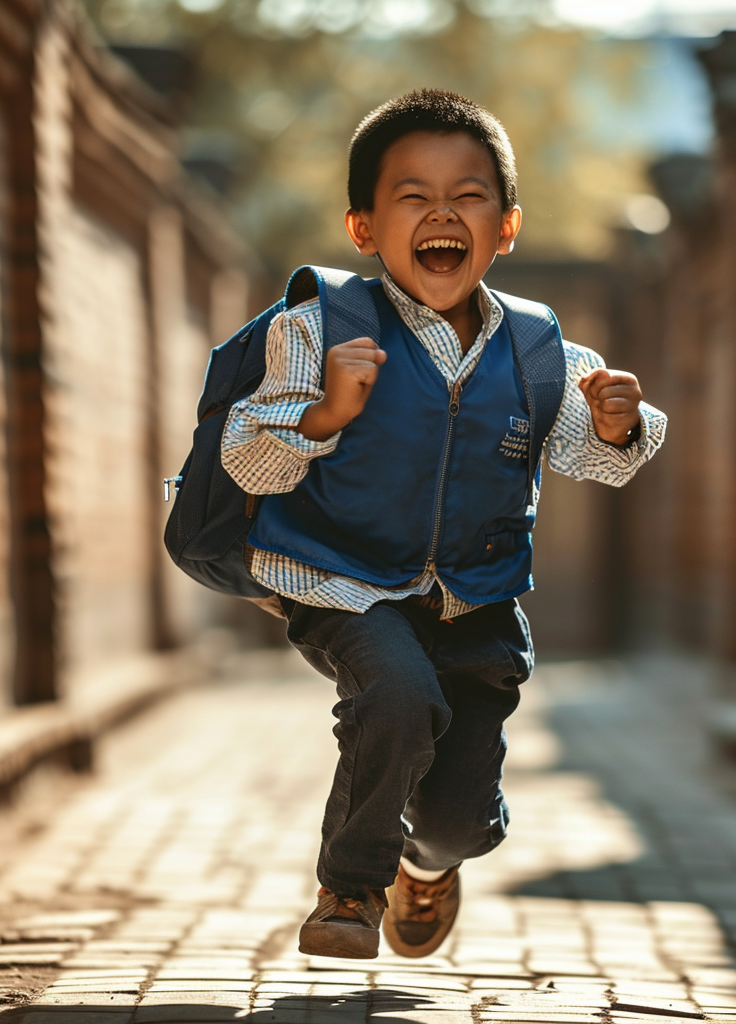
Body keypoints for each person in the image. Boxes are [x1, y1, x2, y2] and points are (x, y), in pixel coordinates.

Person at [220, 89, 666, 961]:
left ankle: (429, 863)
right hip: (344, 583)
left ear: (505, 227)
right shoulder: (321, 328)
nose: (442, 213)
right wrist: (322, 416)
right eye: (412, 196)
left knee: (461, 819)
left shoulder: (540, 350)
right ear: (363, 227)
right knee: (397, 695)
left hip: (476, 606)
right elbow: (249, 457)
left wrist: (620, 424)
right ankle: (349, 888)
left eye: (468, 196)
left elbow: (593, 455)